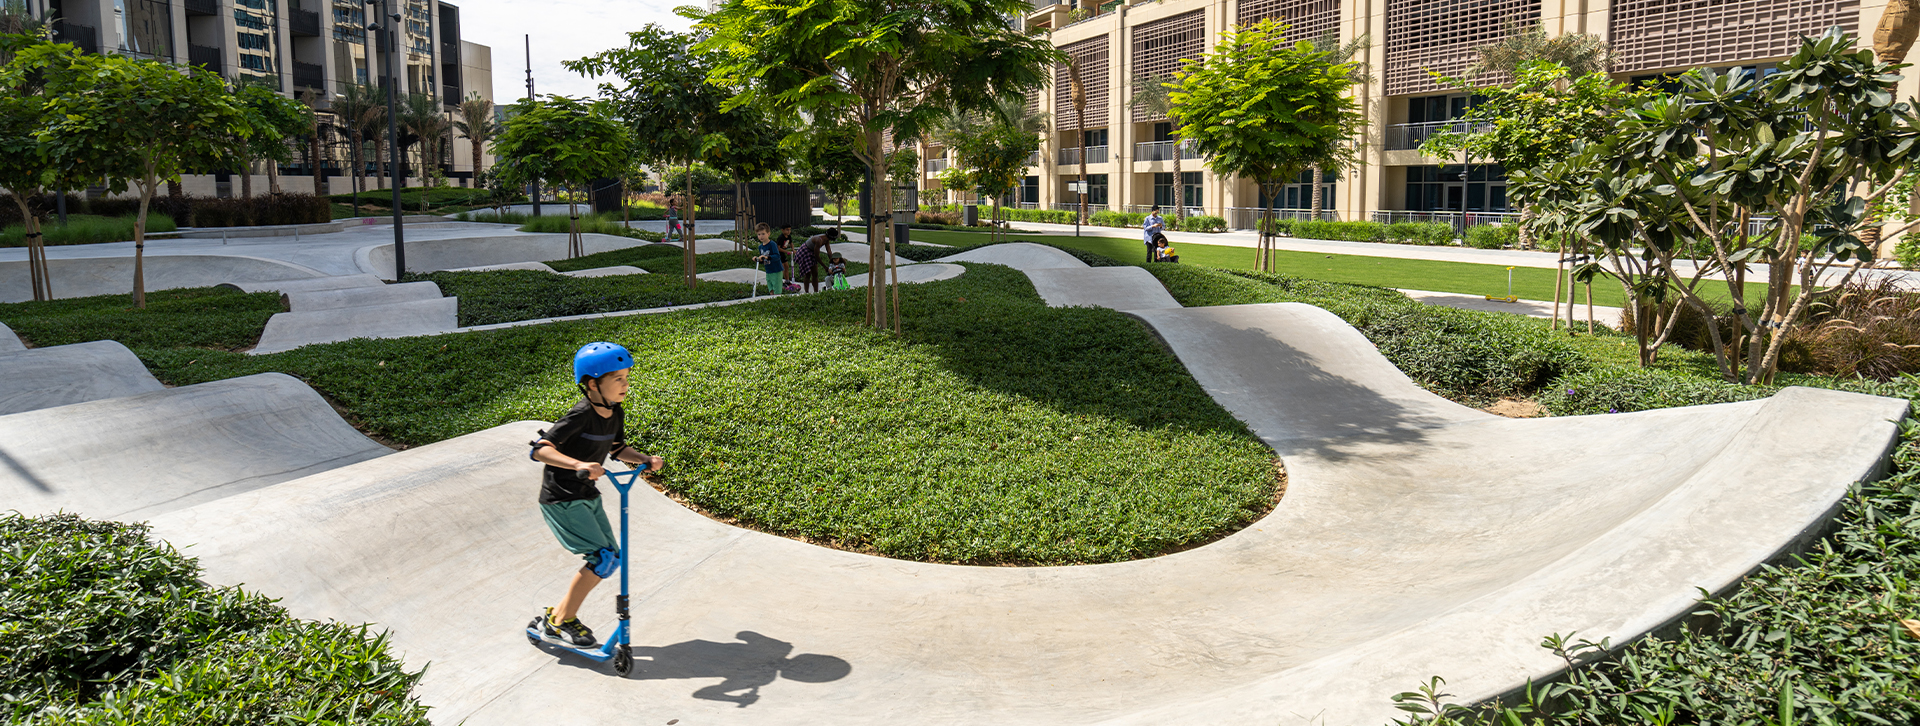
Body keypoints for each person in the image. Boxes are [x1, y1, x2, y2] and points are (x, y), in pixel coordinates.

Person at [528, 342, 665, 647]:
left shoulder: (615, 412)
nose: (625, 385)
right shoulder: (580, 415)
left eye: (626, 378)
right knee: (602, 558)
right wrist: (578, 464)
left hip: (587, 494)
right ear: (593, 384)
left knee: (611, 559)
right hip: (562, 497)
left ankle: (558, 617)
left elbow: (617, 448)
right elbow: (540, 450)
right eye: (618, 379)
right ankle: (560, 621)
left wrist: (643, 459)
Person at [795, 227, 840, 293]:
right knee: (808, 274)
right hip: (805, 252)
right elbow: (816, 256)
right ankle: (807, 293)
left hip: (812, 252)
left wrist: (833, 262)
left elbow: (829, 252)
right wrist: (825, 267)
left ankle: (816, 292)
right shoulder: (819, 240)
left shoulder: (826, 240)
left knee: (815, 274)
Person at [754, 223, 785, 294]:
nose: (761, 236)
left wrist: (767, 257)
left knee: (777, 290)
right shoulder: (760, 247)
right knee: (771, 289)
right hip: (768, 271)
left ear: (768, 234)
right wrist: (758, 259)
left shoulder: (772, 244)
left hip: (776, 271)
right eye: (759, 234)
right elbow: (763, 260)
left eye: (763, 234)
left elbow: (777, 256)